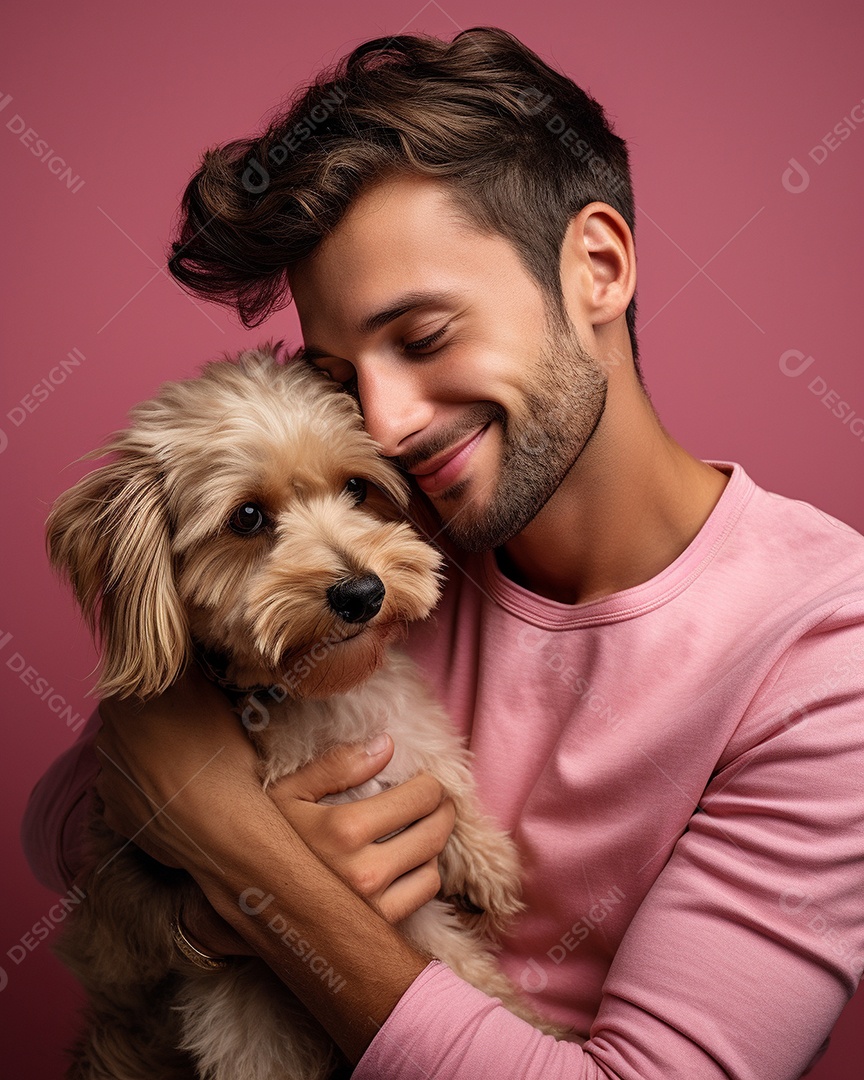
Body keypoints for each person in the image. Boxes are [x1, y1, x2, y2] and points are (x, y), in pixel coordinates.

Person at [22, 26, 864, 1079]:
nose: (387, 417)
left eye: (423, 338)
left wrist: (262, 874)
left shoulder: (829, 652)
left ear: (598, 266)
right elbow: (62, 828)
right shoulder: (386, 533)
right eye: (338, 370)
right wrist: (203, 927)